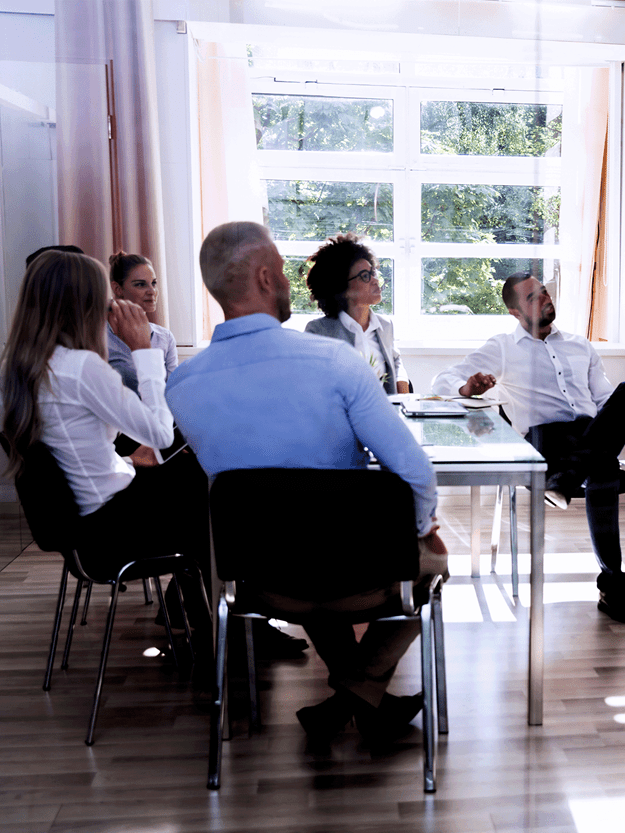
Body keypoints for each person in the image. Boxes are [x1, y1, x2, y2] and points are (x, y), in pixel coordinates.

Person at [166, 221, 447, 744]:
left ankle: (355, 701)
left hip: (262, 579)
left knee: (300, 545)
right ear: (267, 276)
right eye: (285, 273)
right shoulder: (334, 361)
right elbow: (413, 471)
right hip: (355, 570)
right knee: (435, 559)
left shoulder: (181, 387)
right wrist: (421, 526)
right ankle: (360, 689)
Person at [1, 250, 209, 606]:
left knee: (193, 482)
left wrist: (127, 463)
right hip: (108, 529)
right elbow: (160, 435)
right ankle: (220, 631)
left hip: (81, 525)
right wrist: (143, 350)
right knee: (214, 494)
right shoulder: (80, 367)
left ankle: (198, 615)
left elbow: (69, 455)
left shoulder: (15, 370)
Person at [432, 271, 625, 622]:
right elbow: (442, 379)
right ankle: (613, 584)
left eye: (545, 291)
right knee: (605, 469)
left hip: (588, 434)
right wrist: (468, 387)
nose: (546, 299)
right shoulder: (503, 347)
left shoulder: (580, 345)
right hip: (544, 440)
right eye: (534, 297)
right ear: (515, 312)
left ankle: (564, 484)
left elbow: (607, 400)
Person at [304, 233, 410, 395]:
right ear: (342, 288)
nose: (375, 280)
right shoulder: (318, 331)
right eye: (365, 276)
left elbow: (395, 361)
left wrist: (404, 395)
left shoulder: (385, 326)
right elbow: (313, 385)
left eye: (372, 272)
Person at [107, 251, 178, 395]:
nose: (152, 291)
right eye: (140, 284)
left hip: (160, 415)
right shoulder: (97, 338)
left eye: (153, 283)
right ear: (117, 289)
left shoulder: (165, 337)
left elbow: (174, 393)